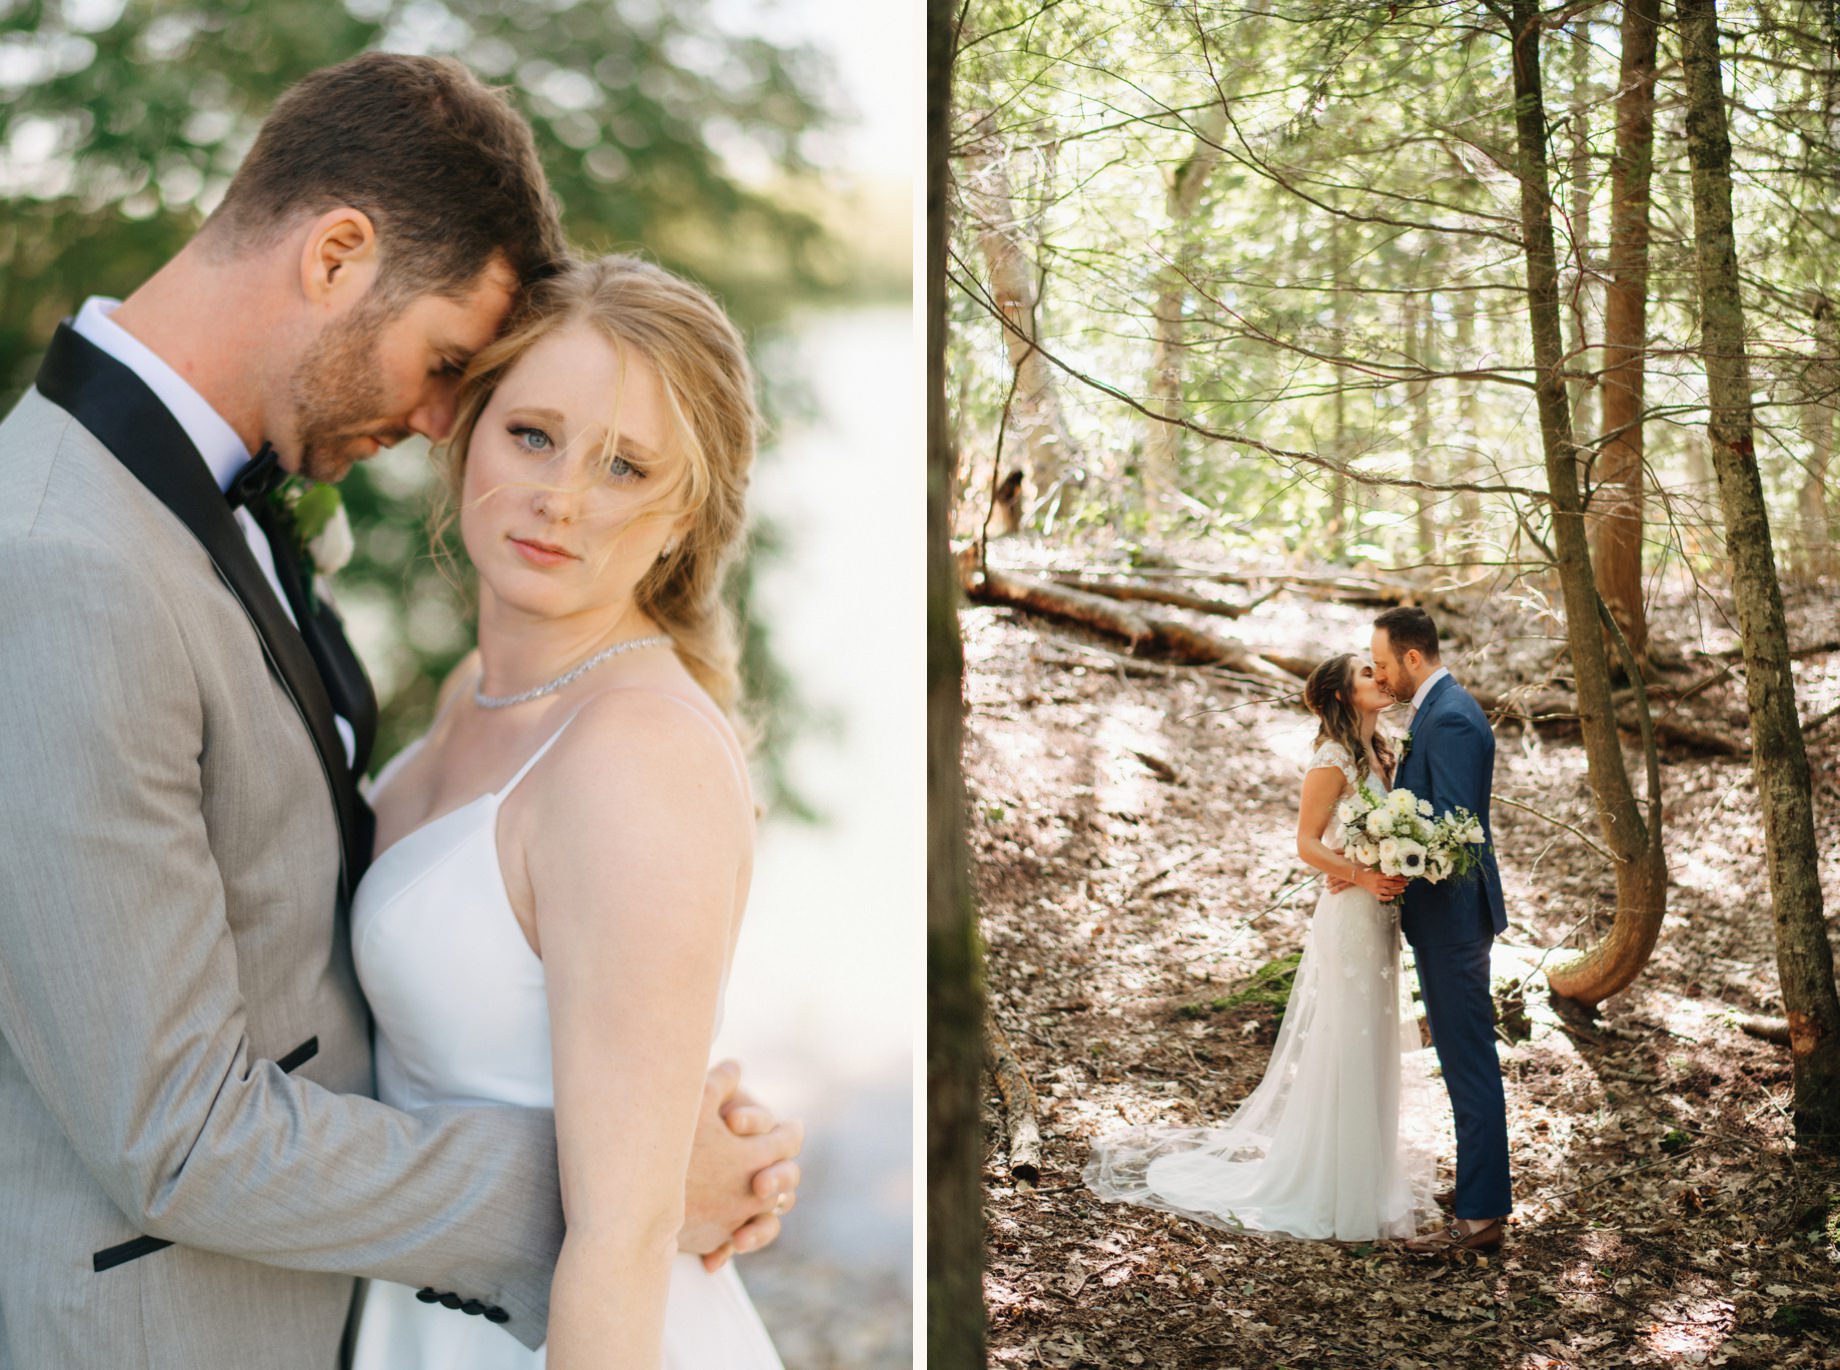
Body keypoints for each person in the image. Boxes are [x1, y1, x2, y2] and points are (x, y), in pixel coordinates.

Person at [0, 54, 799, 1370]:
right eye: (488, 402)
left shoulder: (196, 504)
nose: (439, 416)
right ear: (336, 257)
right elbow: (175, 1130)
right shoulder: (65, 557)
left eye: (627, 465)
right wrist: (634, 1182)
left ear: (682, 511)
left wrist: (645, 1168)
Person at [347, 253, 783, 1368]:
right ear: (466, 429)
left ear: (687, 512)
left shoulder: (634, 752)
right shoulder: (477, 694)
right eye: (532, 434)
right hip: (425, 1307)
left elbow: (628, 1231)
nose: (563, 497)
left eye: (627, 466)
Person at [1085, 653, 1441, 1243]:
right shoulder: (1330, 761)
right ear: (1340, 696)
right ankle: (1332, 1190)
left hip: (1382, 914)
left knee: (1374, 1042)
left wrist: (1383, 865)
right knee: (1347, 1039)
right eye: (1365, 675)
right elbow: (1306, 844)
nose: (1380, 678)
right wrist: (1358, 873)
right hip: (1352, 913)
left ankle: (1369, 1182)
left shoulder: (1389, 751)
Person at [1364, 606, 1511, 1255]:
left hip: (1452, 918)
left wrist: (1387, 846)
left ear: (1412, 659)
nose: (1380, 674)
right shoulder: (1437, 709)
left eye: (1384, 663)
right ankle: (1480, 1189)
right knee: (1460, 1060)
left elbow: (1450, 833)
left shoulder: (1449, 717)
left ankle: (1481, 1219)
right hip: (1444, 919)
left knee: (1468, 1060)